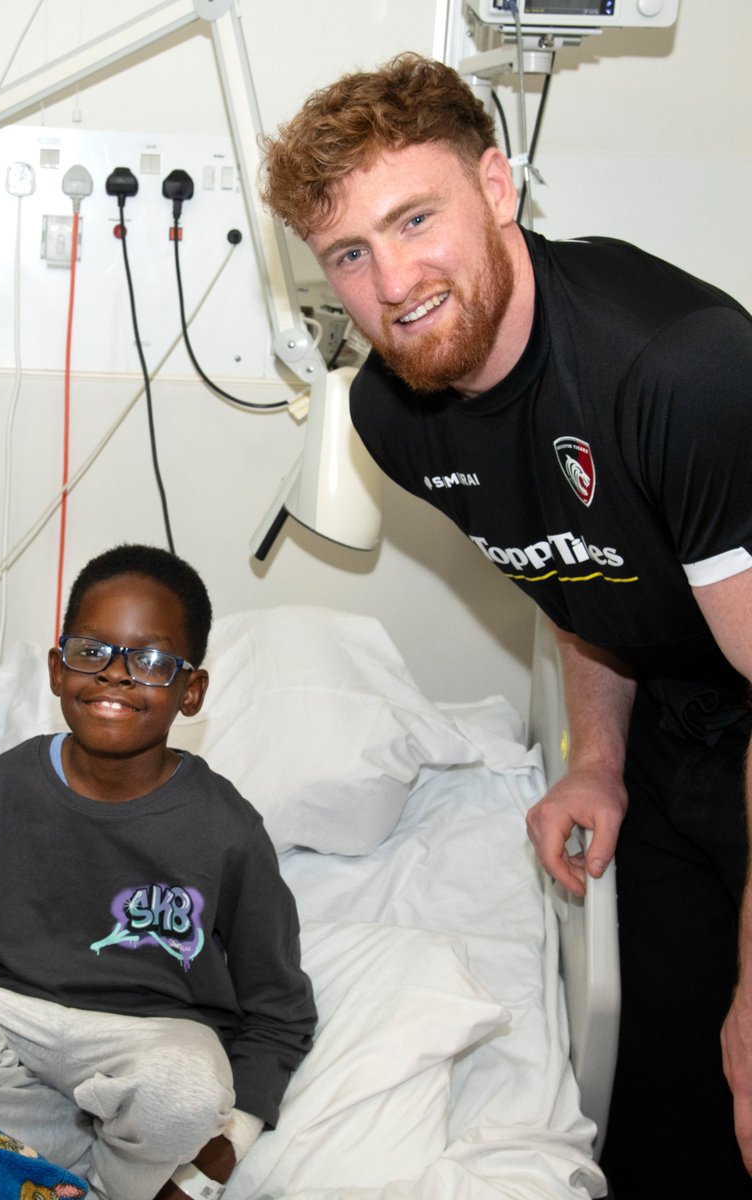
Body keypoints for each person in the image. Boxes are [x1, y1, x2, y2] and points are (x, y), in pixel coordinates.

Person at [260, 51, 752, 1197]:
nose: (393, 282)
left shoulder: (679, 370)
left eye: (415, 218)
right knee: (665, 1111)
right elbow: (584, 585)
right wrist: (599, 761)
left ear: (497, 186)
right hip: (686, 735)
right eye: (349, 255)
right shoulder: (397, 416)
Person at [0, 543, 316, 1200]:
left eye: (152, 661)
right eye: (91, 651)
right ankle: (80, 1168)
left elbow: (279, 1012)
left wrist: (222, 1149)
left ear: (192, 691)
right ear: (57, 669)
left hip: (149, 1039)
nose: (116, 676)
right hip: (22, 1025)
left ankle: (99, 1178)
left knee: (184, 1091)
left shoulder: (226, 829)